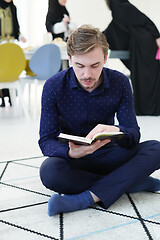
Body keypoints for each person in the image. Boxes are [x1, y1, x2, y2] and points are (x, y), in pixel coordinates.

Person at [39, 25, 160, 217]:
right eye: (80, 66)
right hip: (76, 162)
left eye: (95, 66)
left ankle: (85, 198)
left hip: (111, 155)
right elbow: (46, 140)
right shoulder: (53, 86)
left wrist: (115, 129)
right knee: (49, 172)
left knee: (156, 148)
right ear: (70, 59)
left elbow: (133, 134)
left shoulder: (120, 82)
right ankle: (132, 182)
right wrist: (70, 152)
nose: (87, 74)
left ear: (105, 58)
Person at [103, 0, 160, 116]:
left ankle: (147, 109)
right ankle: (149, 109)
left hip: (145, 46)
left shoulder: (118, 4)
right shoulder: (121, 4)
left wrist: (157, 35)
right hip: (144, 45)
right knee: (146, 78)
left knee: (145, 78)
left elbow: (143, 20)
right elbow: (115, 27)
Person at [0, 0, 26, 107]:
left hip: (11, 44)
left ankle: (11, 98)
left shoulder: (13, 8)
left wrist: (20, 36)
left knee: (11, 70)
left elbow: (16, 26)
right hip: (0, 44)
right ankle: (2, 98)